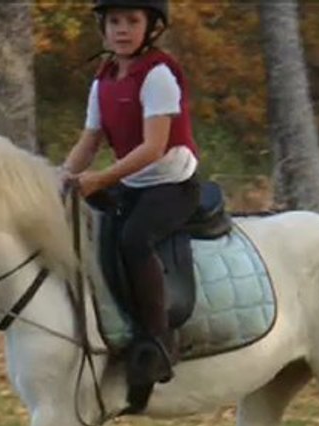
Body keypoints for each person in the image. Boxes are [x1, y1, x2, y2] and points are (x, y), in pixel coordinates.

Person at [61, 0, 199, 385]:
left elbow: (154, 148)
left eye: (132, 21)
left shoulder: (157, 76)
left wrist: (101, 179)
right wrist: (60, 178)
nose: (122, 29)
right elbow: (90, 140)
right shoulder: (103, 78)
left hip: (172, 184)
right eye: (114, 21)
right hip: (134, 182)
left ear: (151, 27)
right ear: (103, 29)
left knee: (135, 238)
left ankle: (157, 342)